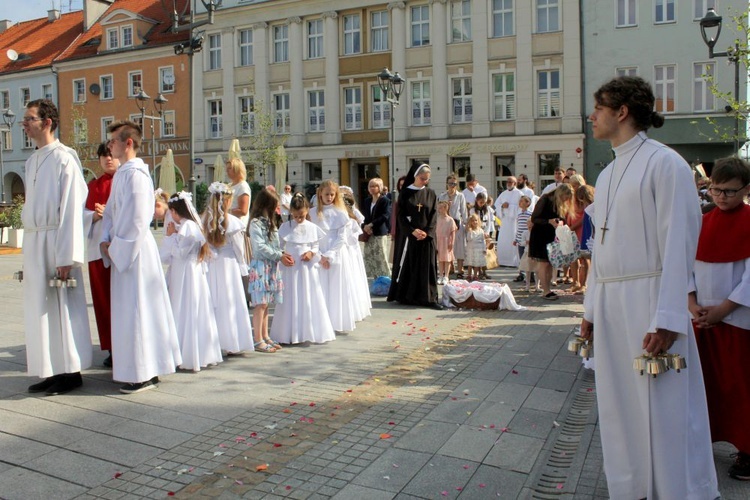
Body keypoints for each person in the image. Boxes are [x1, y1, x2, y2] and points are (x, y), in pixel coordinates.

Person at [580, 76, 718, 499]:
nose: (593, 115)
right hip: (611, 301)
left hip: (650, 299)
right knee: (619, 403)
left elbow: (679, 245)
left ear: (621, 112)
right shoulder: (607, 175)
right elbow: (600, 251)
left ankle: (677, 490)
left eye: (599, 107)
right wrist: (589, 311)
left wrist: (669, 316)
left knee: (662, 406)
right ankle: (633, 486)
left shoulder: (666, 163)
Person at [101, 120, 181, 394]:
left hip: (134, 251)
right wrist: (105, 238)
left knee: (139, 310)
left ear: (129, 143)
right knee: (133, 311)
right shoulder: (123, 173)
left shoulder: (136, 175)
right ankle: (145, 368)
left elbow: (137, 218)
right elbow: (111, 212)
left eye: (113, 141)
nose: (109, 145)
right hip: (123, 248)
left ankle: (143, 373)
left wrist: (116, 246)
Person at [21, 98, 92, 395]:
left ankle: (70, 371)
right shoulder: (31, 160)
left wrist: (67, 254)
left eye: (29, 119)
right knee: (40, 306)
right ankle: (49, 368)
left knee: (62, 307)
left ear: (47, 122)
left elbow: (73, 207)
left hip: (56, 240)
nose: (24, 125)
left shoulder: (65, 157)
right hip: (36, 238)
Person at [689, 157, 750, 482]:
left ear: (746, 189)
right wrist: (692, 302)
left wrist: (724, 309)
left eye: (729, 191)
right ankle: (702, 441)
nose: (721, 196)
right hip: (701, 319)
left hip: (738, 319)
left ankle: (747, 450)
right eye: (716, 190)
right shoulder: (701, 222)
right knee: (706, 384)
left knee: (740, 385)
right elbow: (686, 267)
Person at [161, 193, 223, 372]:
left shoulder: (188, 226)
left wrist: (171, 236)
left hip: (187, 273)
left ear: (174, 211)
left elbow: (180, 252)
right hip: (184, 272)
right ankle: (183, 350)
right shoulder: (187, 226)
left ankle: (188, 353)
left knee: (187, 308)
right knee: (184, 308)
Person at [271, 193, 336, 344]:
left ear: (307, 210)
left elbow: (315, 245)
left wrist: (311, 253)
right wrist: (283, 255)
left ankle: (309, 331)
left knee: (308, 294)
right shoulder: (285, 227)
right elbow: (279, 246)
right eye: (296, 216)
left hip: (306, 266)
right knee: (290, 296)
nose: (299, 219)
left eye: (302, 216)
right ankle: (288, 332)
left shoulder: (312, 227)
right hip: (291, 267)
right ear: (291, 212)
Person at [202, 182, 254, 355]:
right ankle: (232, 341)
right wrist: (243, 266)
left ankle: (212, 342)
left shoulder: (205, 220)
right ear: (229, 201)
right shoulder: (234, 223)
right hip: (229, 265)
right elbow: (239, 249)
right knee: (230, 300)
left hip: (211, 264)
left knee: (214, 300)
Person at [85, 143, 119, 369]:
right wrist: (93, 217)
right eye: (103, 156)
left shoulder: (125, 181)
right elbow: (80, 214)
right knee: (102, 301)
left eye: (110, 155)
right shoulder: (92, 186)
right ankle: (109, 347)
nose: (107, 159)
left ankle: (122, 345)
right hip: (97, 251)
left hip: (118, 250)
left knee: (119, 300)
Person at [387, 163, 441, 309]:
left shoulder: (431, 193)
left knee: (427, 267)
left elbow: (434, 215)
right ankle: (408, 296)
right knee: (410, 266)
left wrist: (427, 232)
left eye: (427, 179)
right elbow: (401, 216)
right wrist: (412, 230)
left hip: (426, 237)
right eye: (423, 178)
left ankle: (429, 298)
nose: (425, 181)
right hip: (410, 237)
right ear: (415, 176)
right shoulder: (405, 193)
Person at [310, 180, 358, 331]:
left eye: (332, 194)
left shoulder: (341, 212)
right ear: (320, 194)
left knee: (336, 287)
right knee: (319, 286)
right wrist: (319, 255)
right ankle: (320, 321)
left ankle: (336, 320)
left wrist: (330, 254)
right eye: (326, 194)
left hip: (336, 252)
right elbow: (311, 236)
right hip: (319, 251)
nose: (329, 197)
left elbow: (342, 237)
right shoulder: (312, 213)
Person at [247, 188, 290, 353]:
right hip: (261, 266)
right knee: (260, 304)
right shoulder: (256, 223)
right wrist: (279, 255)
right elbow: (259, 247)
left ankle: (265, 336)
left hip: (271, 266)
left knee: (266, 304)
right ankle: (257, 339)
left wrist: (282, 254)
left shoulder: (271, 222)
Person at [529, 183, 574, 300]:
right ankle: (545, 290)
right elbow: (535, 218)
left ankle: (547, 288)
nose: (566, 200)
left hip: (551, 235)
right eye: (565, 197)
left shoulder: (559, 203)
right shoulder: (545, 199)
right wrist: (549, 221)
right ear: (560, 194)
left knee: (549, 263)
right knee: (543, 263)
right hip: (540, 234)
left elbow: (561, 217)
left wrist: (561, 222)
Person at [340, 186, 371, 322]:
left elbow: (359, 222)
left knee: (352, 274)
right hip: (344, 249)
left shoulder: (352, 217)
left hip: (350, 249)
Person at [361, 177, 392, 278]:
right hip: (369, 234)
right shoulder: (367, 201)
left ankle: (385, 278)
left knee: (381, 257)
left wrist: (371, 224)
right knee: (370, 256)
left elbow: (385, 215)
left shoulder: (385, 200)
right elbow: (365, 216)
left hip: (379, 232)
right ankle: (374, 278)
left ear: (380, 187)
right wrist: (365, 226)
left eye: (375, 186)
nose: (372, 188)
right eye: (370, 186)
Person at [494, 176, 522, 268]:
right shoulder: (503, 194)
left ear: (515, 183)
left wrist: (510, 207)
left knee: (513, 239)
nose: (508, 183)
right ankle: (503, 260)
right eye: (507, 182)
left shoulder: (519, 194)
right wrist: (502, 206)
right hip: (505, 221)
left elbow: (522, 206)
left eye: (510, 182)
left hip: (514, 221)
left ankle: (514, 261)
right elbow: (497, 204)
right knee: (504, 240)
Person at [573, 185, 594, 295]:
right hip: (586, 234)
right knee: (584, 259)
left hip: (591, 235)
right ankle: (583, 284)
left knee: (587, 261)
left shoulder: (593, 207)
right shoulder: (588, 207)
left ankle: (586, 284)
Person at [469, 192, 494, 279]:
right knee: (478, 253)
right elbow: (473, 222)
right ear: (477, 201)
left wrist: (487, 233)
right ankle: (479, 272)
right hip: (477, 233)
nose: (482, 204)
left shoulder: (487, 209)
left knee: (484, 253)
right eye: (480, 202)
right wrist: (479, 232)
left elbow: (489, 222)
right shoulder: (472, 210)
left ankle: (484, 271)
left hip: (485, 233)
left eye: (484, 202)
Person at [435, 200, 457, 285]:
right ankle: (440, 275)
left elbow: (453, 232)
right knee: (440, 259)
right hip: (439, 241)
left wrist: (452, 242)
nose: (439, 209)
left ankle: (446, 276)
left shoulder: (450, 220)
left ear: (445, 208)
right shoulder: (437, 219)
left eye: (441, 208)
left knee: (447, 259)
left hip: (447, 241)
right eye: (438, 207)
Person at [512, 195, 533, 283]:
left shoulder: (530, 214)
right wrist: (516, 239)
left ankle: (530, 276)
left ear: (527, 203)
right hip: (521, 241)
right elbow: (518, 228)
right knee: (521, 258)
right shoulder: (519, 215)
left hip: (528, 240)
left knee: (529, 257)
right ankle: (522, 274)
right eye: (519, 201)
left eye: (522, 201)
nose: (520, 203)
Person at [463, 214, 487, 281]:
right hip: (471, 249)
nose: (474, 222)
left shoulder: (481, 230)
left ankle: (475, 275)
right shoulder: (470, 231)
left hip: (478, 249)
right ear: (470, 222)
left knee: (476, 264)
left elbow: (483, 240)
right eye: (473, 221)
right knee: (470, 263)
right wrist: (469, 231)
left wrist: (484, 249)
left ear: (478, 221)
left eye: (476, 220)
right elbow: (468, 239)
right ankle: (469, 275)